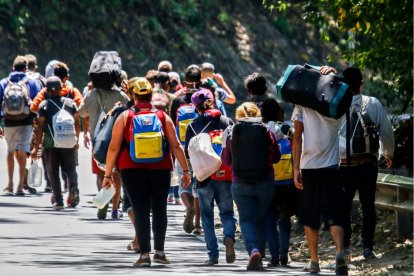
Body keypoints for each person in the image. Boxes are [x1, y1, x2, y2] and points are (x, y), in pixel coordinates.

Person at [102, 77, 191, 267]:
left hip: (131, 169)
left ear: (134, 96)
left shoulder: (125, 117)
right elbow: (175, 145)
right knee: (160, 209)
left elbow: (113, 148)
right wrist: (186, 170)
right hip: (160, 169)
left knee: (140, 210)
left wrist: (107, 175)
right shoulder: (162, 116)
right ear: (150, 95)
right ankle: (159, 252)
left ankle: (144, 256)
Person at [326, 66, 394, 260]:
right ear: (361, 84)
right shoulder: (373, 103)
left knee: (344, 208)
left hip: (345, 165)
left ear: (342, 85)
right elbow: (386, 131)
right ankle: (367, 248)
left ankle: (345, 250)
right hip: (368, 164)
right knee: (368, 206)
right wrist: (388, 153)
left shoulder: (335, 106)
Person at [291, 66, 349, 274]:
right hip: (332, 167)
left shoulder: (302, 101)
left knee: (310, 216)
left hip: (308, 168)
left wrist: (295, 168)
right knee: (334, 214)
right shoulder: (337, 103)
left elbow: (297, 137)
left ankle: (314, 261)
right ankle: (340, 253)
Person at [243, 72, 297, 267]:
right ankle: (283, 253)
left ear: (249, 91)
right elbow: (295, 141)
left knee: (267, 216)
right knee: (284, 217)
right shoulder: (281, 119)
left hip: (262, 174)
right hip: (286, 175)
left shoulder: (248, 115)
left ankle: (271, 254)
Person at [221, 102, 281, 271]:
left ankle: (254, 251)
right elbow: (276, 157)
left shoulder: (232, 131)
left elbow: (226, 160)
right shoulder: (266, 131)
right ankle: (259, 256)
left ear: (238, 115)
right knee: (260, 219)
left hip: (240, 183)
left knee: (247, 219)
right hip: (265, 182)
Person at [184, 89, 236, 265]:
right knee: (227, 212)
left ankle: (213, 255)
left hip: (204, 176)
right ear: (213, 101)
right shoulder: (227, 121)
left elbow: (188, 153)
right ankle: (229, 238)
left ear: (195, 107)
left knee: (207, 215)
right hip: (226, 174)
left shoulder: (193, 125)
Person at [78, 67, 129, 219]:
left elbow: (81, 112)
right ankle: (114, 209)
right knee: (116, 174)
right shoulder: (120, 95)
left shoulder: (91, 95)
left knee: (101, 174)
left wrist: (88, 93)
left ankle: (103, 202)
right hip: (117, 141)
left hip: (97, 141)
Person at [30, 76, 80, 209]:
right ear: (61, 88)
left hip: (50, 143)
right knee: (70, 169)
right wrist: (76, 140)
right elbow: (76, 122)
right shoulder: (70, 103)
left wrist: (36, 147)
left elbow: (40, 127)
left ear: (47, 90)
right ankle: (73, 188)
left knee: (53, 171)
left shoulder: (44, 105)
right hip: (68, 140)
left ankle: (58, 200)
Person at [0, 55, 41, 196]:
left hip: (9, 122)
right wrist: (36, 120)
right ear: (25, 68)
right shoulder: (31, 82)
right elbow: (36, 102)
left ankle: (10, 184)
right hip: (26, 121)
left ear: (13, 67)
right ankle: (19, 186)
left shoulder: (4, 82)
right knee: (23, 149)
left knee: (11, 151)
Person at [170, 65, 203, 234]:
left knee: (184, 185)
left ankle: (189, 206)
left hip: (182, 148)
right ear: (201, 80)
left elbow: (170, 125)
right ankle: (198, 223)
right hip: (201, 147)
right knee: (199, 185)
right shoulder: (205, 98)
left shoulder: (177, 100)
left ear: (185, 82)